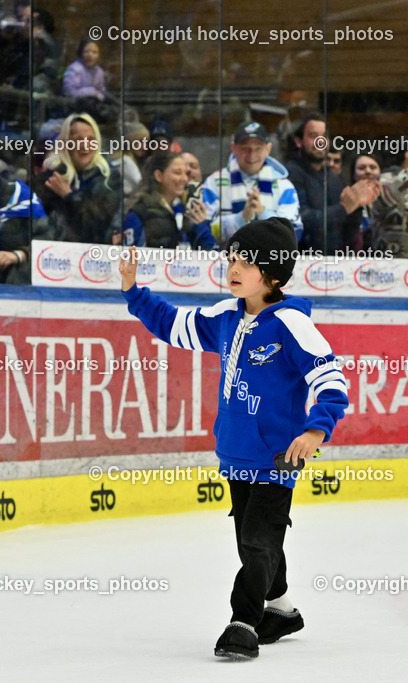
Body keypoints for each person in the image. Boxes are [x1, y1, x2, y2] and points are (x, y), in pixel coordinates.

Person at [119, 217, 349, 659]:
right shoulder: (225, 316)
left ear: (274, 275)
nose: (233, 267)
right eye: (231, 258)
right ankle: (281, 609)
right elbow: (172, 324)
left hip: (280, 457)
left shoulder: (291, 324)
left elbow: (330, 378)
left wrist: (316, 429)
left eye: (246, 261)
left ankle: (243, 622)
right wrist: (134, 292)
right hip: (236, 453)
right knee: (256, 536)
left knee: (256, 543)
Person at [285, 114, 379, 254]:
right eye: (313, 136)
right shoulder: (290, 174)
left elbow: (346, 232)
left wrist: (357, 205)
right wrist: (345, 208)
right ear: (299, 141)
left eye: (324, 136)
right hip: (301, 262)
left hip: (335, 264)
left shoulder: (332, 177)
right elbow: (303, 221)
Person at [202, 121, 303, 244]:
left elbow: (294, 233)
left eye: (258, 148)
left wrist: (263, 213)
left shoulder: (284, 186)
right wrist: (241, 218)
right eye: (245, 148)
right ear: (233, 148)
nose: (252, 155)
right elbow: (204, 230)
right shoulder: (214, 182)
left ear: (268, 149)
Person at [37, 113, 120, 243]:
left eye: (91, 139)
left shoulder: (109, 179)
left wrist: (69, 196)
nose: (85, 145)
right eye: (78, 139)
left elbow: (97, 224)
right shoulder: (50, 179)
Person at [119, 152, 217, 250]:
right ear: (159, 176)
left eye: (185, 174)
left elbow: (210, 253)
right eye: (177, 173)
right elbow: (128, 256)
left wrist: (200, 227)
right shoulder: (140, 212)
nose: (185, 179)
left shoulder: (185, 211)